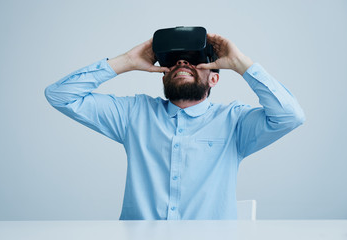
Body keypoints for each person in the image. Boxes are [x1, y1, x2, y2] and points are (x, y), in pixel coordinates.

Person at [45, 33, 305, 220]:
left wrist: (241, 64)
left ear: (214, 78)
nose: (182, 63)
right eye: (175, 61)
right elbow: (59, 96)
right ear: (163, 73)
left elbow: (289, 116)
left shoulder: (234, 121)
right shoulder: (133, 113)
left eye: (194, 60)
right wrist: (125, 61)